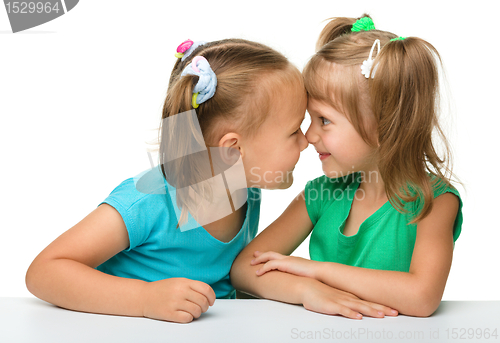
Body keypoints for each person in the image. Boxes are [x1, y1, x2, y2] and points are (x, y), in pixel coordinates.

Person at [25, 38, 318, 323]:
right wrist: (144, 298)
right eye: (294, 131)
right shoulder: (147, 201)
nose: (306, 141)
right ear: (232, 151)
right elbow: (44, 272)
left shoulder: (246, 191)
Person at [230, 15, 464, 319]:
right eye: (309, 119)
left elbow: (421, 297)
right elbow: (244, 270)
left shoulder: (435, 202)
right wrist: (306, 290)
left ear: (383, 124)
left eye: (324, 120)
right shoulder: (320, 194)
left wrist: (317, 271)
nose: (309, 136)